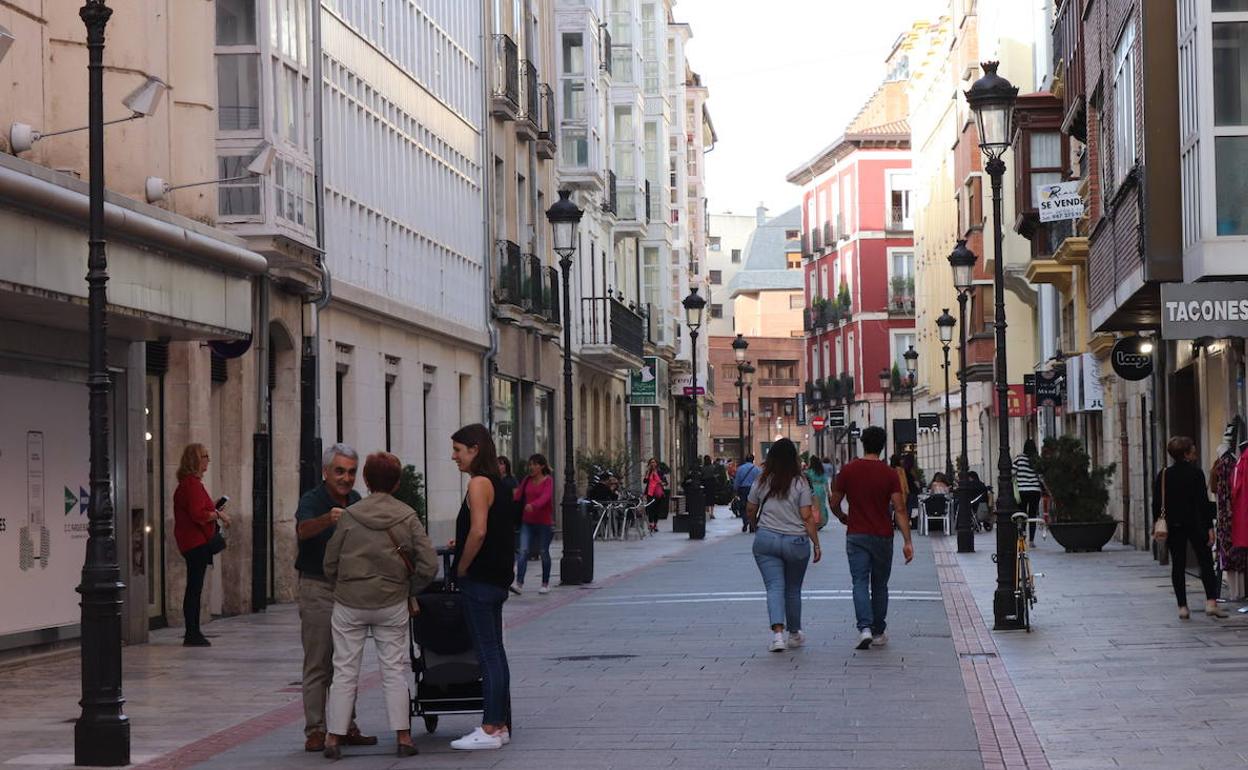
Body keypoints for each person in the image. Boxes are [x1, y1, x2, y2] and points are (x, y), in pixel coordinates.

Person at [322, 452, 438, 760]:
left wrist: (341, 584)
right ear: (397, 483)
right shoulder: (407, 515)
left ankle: (333, 737)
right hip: (391, 600)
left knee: (344, 669)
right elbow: (429, 563)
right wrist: (408, 589)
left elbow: (330, 561)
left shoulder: (350, 515)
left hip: (350, 601)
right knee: (394, 669)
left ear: (366, 480)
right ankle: (403, 737)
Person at [295, 444, 375, 753]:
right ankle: (315, 729)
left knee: (347, 662)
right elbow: (302, 530)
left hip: (348, 589)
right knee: (318, 661)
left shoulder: (356, 500)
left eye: (351, 472)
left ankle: (345, 725)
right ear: (326, 472)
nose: (346, 478)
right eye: (340, 471)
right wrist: (327, 519)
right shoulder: (312, 500)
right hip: (317, 587)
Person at [450, 424, 516, 750]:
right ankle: (499, 724)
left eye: (458, 450)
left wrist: (462, 566)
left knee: (487, 653)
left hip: (480, 580)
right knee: (496, 652)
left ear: (475, 449)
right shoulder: (499, 484)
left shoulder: (478, 483)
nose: (454, 457)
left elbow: (478, 531)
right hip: (498, 579)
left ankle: (490, 727)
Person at [830, 426, 914, 650]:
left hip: (856, 534)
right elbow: (900, 508)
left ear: (863, 444)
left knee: (859, 582)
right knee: (880, 584)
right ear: (882, 446)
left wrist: (842, 516)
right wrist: (907, 541)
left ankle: (864, 628)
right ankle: (878, 631)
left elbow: (834, 502)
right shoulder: (889, 473)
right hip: (882, 535)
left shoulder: (848, 470)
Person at [746, 438, 820, 652]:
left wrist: (756, 525)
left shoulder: (761, 480)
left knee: (774, 587)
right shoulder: (800, 482)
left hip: (766, 539)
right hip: (796, 541)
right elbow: (807, 516)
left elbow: (750, 509)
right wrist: (816, 544)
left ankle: (777, 636)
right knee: (793, 589)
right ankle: (794, 633)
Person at [1154, 436, 1227, 620]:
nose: (1195, 452)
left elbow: (1156, 503)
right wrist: (1209, 527)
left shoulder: (1164, 474)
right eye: (1192, 450)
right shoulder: (1196, 473)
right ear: (1186, 454)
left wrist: (1158, 523)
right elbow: (1203, 503)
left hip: (1173, 525)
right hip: (1196, 525)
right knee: (1205, 562)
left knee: (1178, 565)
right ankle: (1211, 602)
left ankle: (1182, 607)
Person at [172, 443, 230, 647]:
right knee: (194, 588)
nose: (208, 460)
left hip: (193, 541)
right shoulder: (191, 484)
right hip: (194, 542)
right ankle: (192, 632)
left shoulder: (191, 484)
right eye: (204, 456)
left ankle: (193, 631)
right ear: (195, 460)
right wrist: (218, 514)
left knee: (195, 587)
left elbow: (200, 509)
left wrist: (214, 507)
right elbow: (198, 515)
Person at [512, 454, 554, 595]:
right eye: (530, 464)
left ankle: (545, 583)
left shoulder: (548, 481)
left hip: (544, 523)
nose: (531, 467)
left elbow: (546, 497)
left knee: (543, 551)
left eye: (535, 464)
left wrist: (533, 505)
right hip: (527, 522)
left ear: (542, 466)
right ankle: (519, 584)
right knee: (523, 551)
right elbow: (517, 496)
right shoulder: (526, 480)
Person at [1013, 439, 1046, 545]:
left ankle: (1022, 537)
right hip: (1035, 491)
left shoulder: (1019, 458)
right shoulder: (1036, 460)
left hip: (1022, 491)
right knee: (1032, 515)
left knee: (1022, 514)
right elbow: (1041, 476)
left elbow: (1012, 472)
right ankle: (1031, 540)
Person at [735, 454, 763, 532]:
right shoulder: (757, 469)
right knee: (754, 505)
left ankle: (745, 521)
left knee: (743, 506)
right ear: (753, 460)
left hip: (743, 489)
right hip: (754, 489)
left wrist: (735, 489)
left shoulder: (740, 468)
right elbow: (760, 480)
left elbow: (737, 481)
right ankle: (751, 523)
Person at [805, 456, 832, 530]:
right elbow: (826, 482)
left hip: (812, 489)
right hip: (821, 489)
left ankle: (814, 521)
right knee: (822, 505)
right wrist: (829, 492)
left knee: (813, 507)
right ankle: (821, 521)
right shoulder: (821, 471)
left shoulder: (809, 471)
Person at [644, 457, 669, 533]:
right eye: (651, 462)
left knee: (656, 509)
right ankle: (651, 523)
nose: (652, 464)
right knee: (650, 508)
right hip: (650, 493)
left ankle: (655, 524)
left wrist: (661, 483)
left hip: (657, 493)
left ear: (656, 464)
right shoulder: (648, 472)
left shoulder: (660, 472)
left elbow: (665, 482)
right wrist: (648, 473)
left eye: (654, 462)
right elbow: (645, 481)